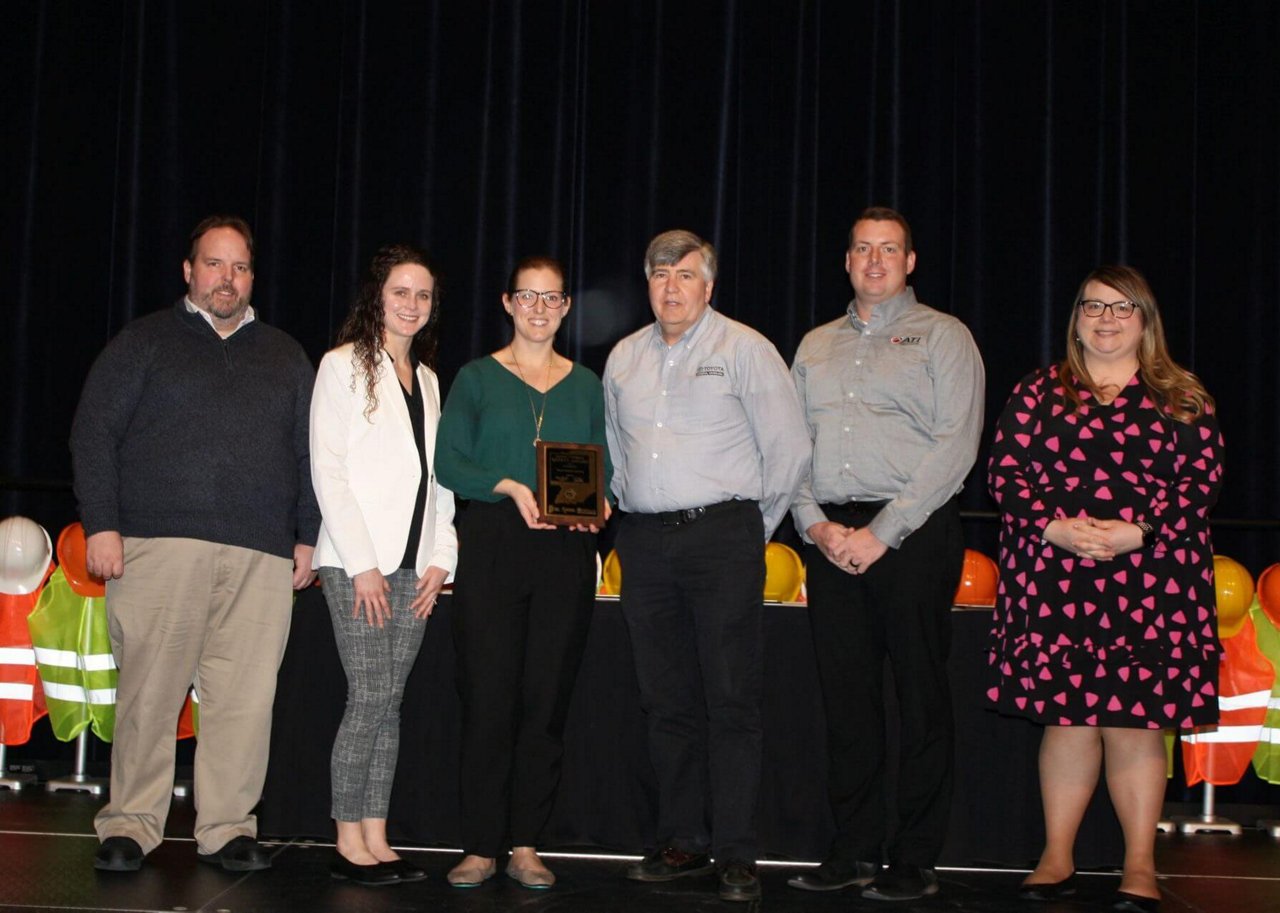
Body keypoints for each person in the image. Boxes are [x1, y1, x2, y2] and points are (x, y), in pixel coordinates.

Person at [70, 215, 319, 872]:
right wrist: (101, 524)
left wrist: (309, 535)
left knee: (244, 699)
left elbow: (308, 451)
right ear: (189, 270)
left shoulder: (285, 354)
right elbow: (94, 433)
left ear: (252, 277)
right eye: (214, 264)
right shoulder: (144, 342)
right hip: (157, 547)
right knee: (151, 692)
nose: (227, 278)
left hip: (261, 556)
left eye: (239, 267)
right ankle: (129, 825)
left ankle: (228, 827)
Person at [987, 265, 1223, 913]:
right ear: (1076, 319)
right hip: (1057, 576)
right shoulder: (1039, 391)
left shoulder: (1182, 397)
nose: (1107, 319)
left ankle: (1140, 867)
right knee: (1068, 718)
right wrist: (1052, 527)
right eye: (1094, 307)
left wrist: (1139, 531)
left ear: (1145, 320)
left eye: (1123, 308)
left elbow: (1199, 484)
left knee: (1134, 725)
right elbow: (1006, 472)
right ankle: (1056, 856)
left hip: (1152, 580)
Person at [604, 230, 810, 903]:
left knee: (731, 699)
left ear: (709, 285)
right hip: (644, 542)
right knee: (665, 700)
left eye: (686, 274)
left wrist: (752, 531)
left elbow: (787, 449)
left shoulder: (746, 349)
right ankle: (682, 840)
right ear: (646, 280)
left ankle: (736, 851)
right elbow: (613, 452)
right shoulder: (624, 357)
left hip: (724, 537)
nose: (671, 285)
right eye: (660, 272)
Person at [788, 207, 985, 901]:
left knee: (921, 695)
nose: (875, 260)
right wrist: (814, 525)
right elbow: (791, 450)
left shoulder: (944, 336)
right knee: (846, 702)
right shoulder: (812, 345)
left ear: (910, 261)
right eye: (862, 249)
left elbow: (957, 447)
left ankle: (915, 853)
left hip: (913, 531)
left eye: (889, 249)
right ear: (846, 261)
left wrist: (883, 530)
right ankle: (853, 846)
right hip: (831, 539)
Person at [435, 256, 609, 890]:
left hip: (564, 553)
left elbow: (605, 466)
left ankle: (527, 844)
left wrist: (602, 501)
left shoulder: (586, 384)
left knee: (546, 703)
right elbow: (447, 462)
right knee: (487, 700)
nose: (539, 308)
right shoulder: (476, 379)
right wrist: (505, 484)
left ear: (565, 308)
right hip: (492, 544)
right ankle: (481, 846)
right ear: (507, 303)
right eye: (527, 296)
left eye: (552, 298)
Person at [310, 244, 457, 887]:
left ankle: (377, 832)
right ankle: (346, 838)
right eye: (401, 291)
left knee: (390, 701)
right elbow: (329, 471)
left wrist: (441, 560)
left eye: (423, 295)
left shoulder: (426, 378)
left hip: (413, 567)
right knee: (369, 693)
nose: (412, 304)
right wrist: (364, 565)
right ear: (378, 295)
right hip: (357, 564)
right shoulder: (341, 366)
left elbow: (440, 479)